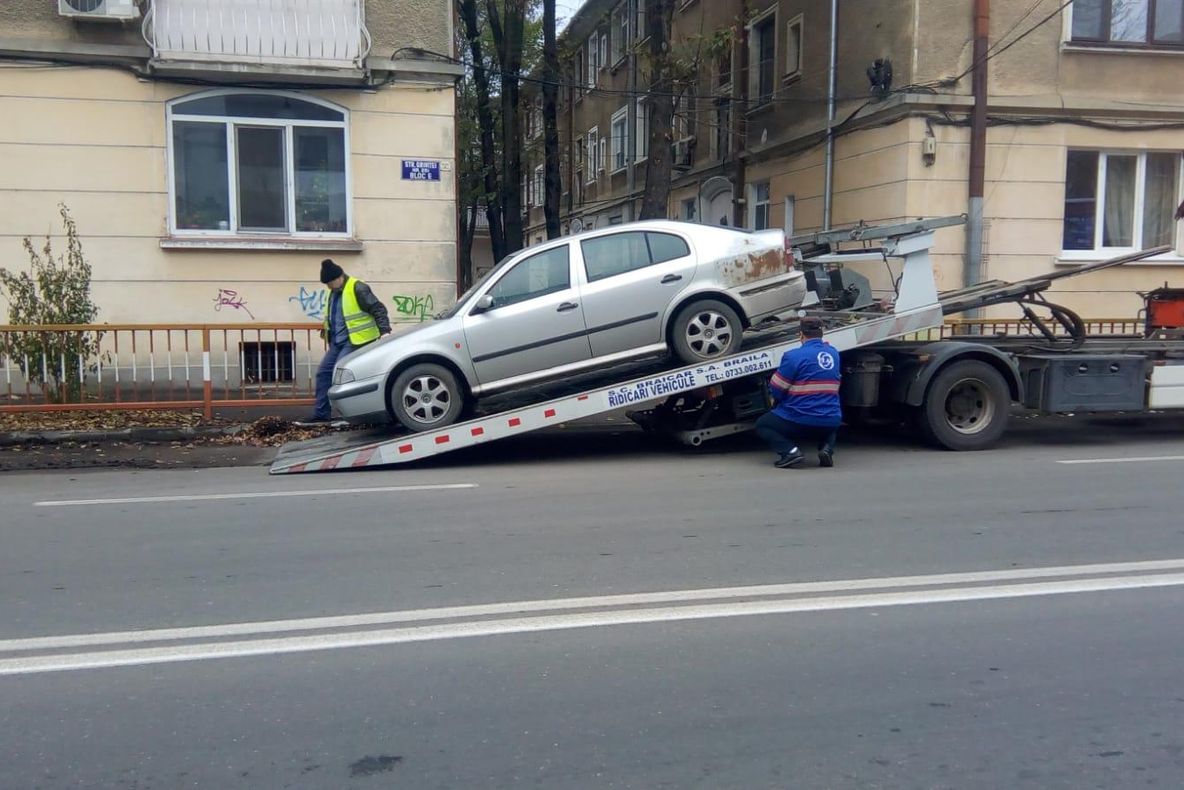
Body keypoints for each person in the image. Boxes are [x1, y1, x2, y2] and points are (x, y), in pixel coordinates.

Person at [297, 259, 391, 426]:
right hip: (338, 342)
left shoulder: (357, 288)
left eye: (330, 282)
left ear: (339, 277)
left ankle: (352, 414)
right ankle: (321, 414)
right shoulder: (333, 293)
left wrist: (385, 332)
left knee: (340, 375)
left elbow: (378, 309)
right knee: (324, 373)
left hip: (357, 340)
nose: (328, 287)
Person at [755, 316, 842, 468]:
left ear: (801, 334)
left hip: (800, 418)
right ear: (822, 334)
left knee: (763, 424)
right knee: (829, 418)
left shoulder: (793, 356)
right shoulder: (834, 353)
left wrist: (778, 402)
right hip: (831, 419)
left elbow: (776, 389)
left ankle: (791, 452)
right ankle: (827, 449)